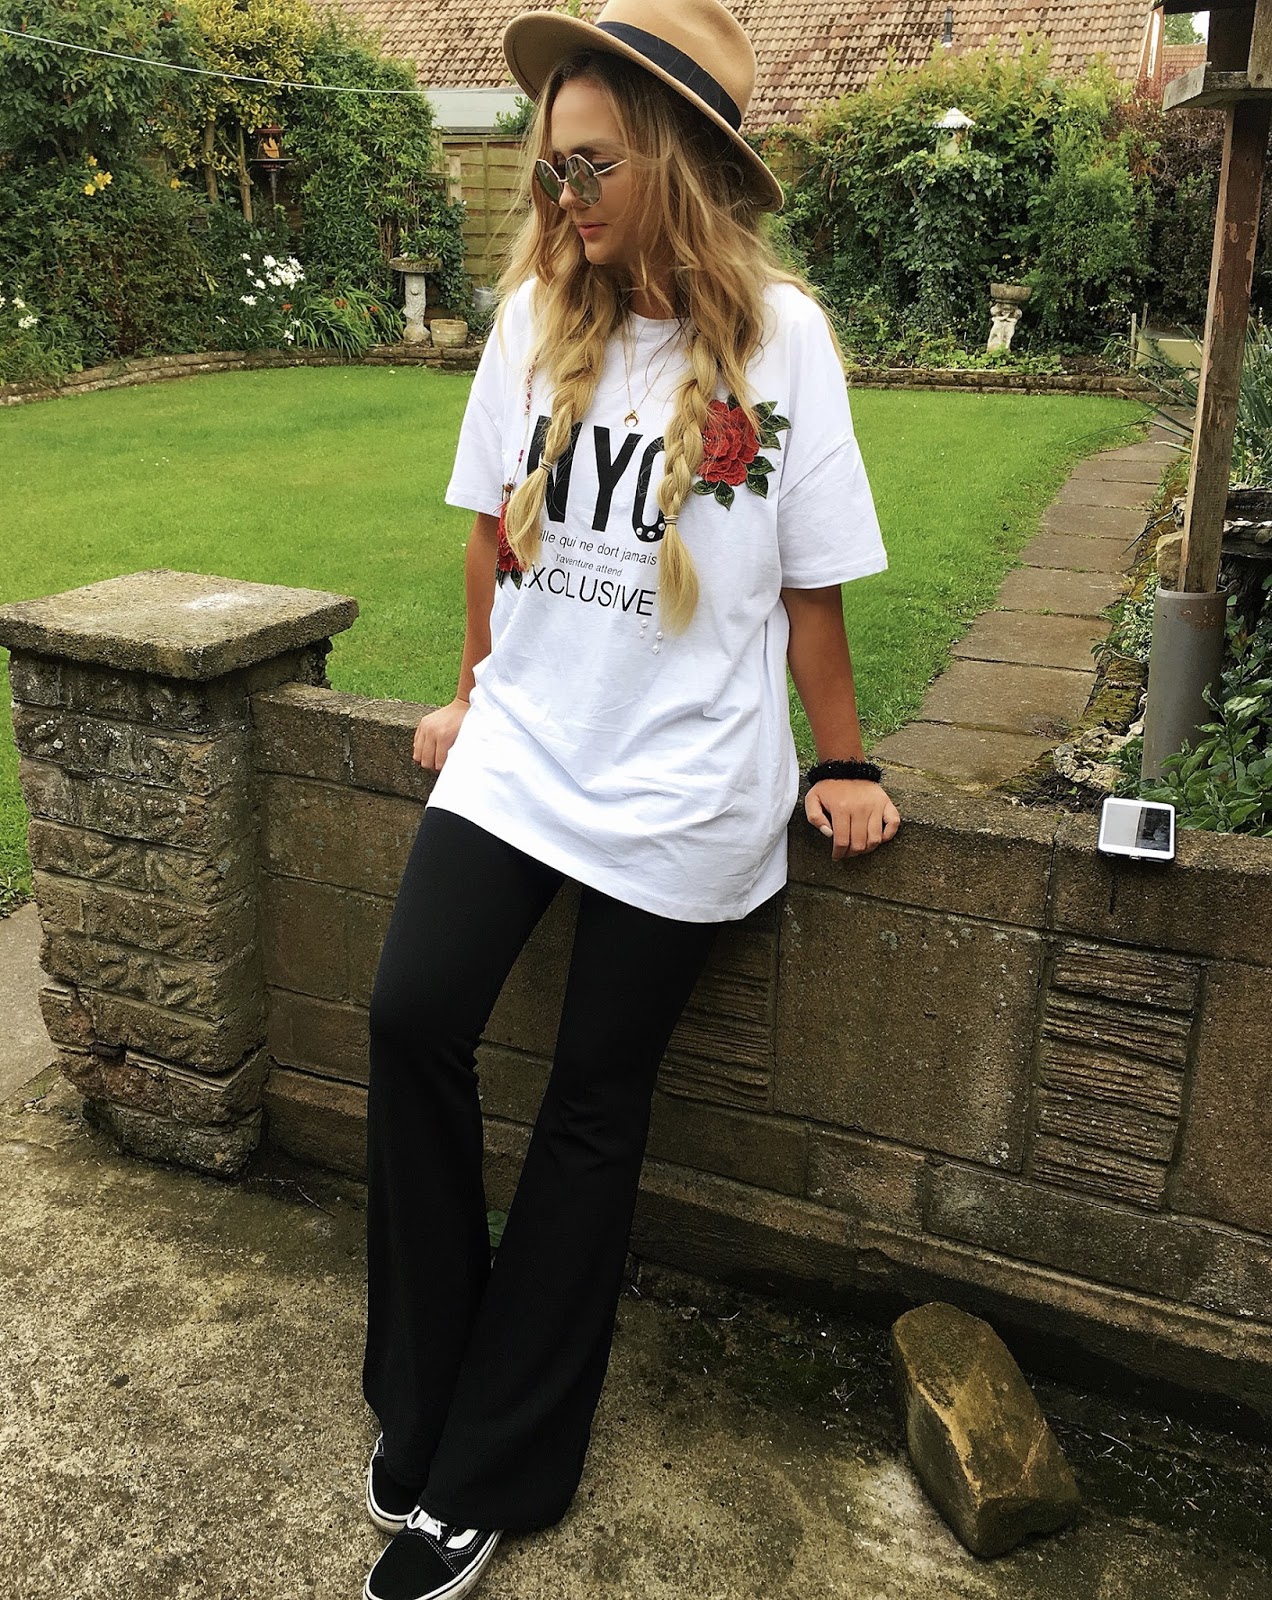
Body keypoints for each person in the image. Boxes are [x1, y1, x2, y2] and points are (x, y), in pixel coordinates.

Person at [359, 3, 900, 1596]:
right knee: (409, 1018)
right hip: (527, 747)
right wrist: (472, 686)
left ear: (674, 161)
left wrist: (845, 759)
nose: (562, 197)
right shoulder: (534, 316)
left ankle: (492, 1469)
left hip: (684, 785)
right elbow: (491, 530)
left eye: (588, 166)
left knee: (592, 1110)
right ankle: (427, 1389)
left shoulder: (782, 345)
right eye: (551, 170)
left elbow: (809, 589)